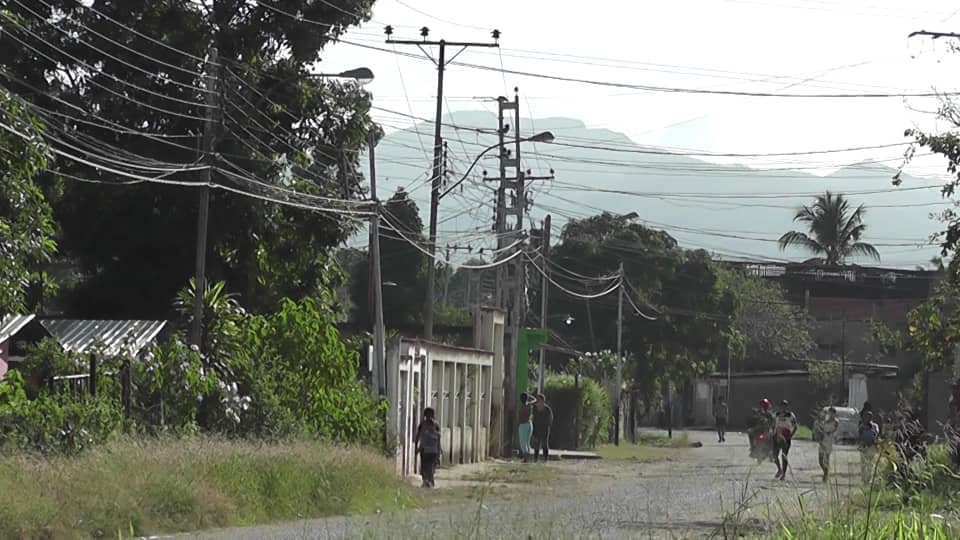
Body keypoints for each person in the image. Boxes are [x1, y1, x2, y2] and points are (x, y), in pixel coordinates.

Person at [414, 407, 442, 488]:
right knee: (430, 467)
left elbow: (418, 437)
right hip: (432, 451)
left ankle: (427, 482)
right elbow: (438, 440)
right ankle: (429, 482)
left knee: (425, 466)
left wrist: (417, 448)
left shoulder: (423, 424)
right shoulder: (434, 425)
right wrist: (439, 451)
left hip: (425, 450)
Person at [772, 400, 798, 481]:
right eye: (781, 406)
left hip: (786, 437)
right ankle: (779, 469)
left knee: (784, 456)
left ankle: (784, 474)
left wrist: (791, 435)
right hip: (777, 436)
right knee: (774, 455)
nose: (783, 408)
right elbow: (773, 425)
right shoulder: (776, 415)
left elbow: (795, 426)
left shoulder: (790, 415)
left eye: (785, 406)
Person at [818, 407, 840, 483]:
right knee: (820, 460)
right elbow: (821, 429)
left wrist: (828, 432)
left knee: (826, 458)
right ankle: (825, 471)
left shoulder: (835, 421)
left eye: (832, 413)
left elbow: (834, 429)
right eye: (829, 412)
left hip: (829, 441)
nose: (830, 414)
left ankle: (826, 474)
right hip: (823, 440)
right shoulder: (825, 421)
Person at [530, 393, 554, 462]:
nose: (537, 401)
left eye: (539, 400)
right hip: (536, 428)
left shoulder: (547, 409)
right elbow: (532, 417)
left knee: (544, 444)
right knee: (536, 444)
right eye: (537, 399)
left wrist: (547, 425)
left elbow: (550, 419)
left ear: (543, 401)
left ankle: (545, 458)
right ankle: (535, 459)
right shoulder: (534, 408)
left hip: (544, 429)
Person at [859, 410, 880, 483]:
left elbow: (876, 434)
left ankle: (868, 478)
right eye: (866, 417)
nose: (867, 418)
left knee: (870, 463)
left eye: (869, 417)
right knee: (863, 463)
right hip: (864, 446)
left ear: (871, 418)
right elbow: (859, 435)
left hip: (872, 446)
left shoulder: (875, 426)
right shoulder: (862, 426)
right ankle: (863, 478)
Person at [518, 392, 536, 461]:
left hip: (523, 424)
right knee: (527, 442)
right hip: (529, 424)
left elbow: (519, 417)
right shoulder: (529, 405)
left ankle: (526, 457)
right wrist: (529, 396)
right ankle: (528, 456)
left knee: (523, 442)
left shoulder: (523, 406)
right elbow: (535, 399)